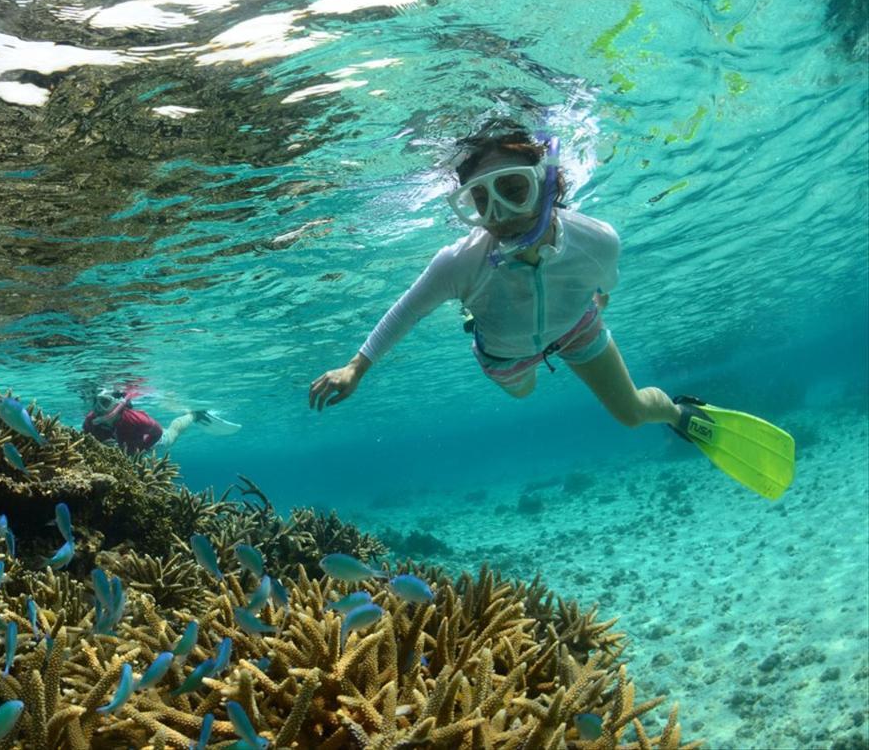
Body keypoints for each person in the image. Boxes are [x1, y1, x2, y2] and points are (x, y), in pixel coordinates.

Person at [308, 117, 795, 500]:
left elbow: (606, 283)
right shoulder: (459, 263)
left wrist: (595, 303)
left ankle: (678, 412)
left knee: (629, 414)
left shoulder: (597, 239)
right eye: (480, 201)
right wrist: (356, 368)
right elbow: (406, 312)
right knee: (522, 393)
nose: (499, 214)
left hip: (578, 328)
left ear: (547, 183)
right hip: (504, 354)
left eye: (514, 189)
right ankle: (478, 321)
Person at [82, 387, 207, 456]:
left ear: (116, 405)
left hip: (152, 442)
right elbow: (85, 439)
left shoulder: (135, 418)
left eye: (104, 402)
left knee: (172, 433)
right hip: (125, 452)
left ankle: (193, 415)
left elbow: (157, 432)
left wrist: (143, 449)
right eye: (95, 402)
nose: (98, 408)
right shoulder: (90, 420)